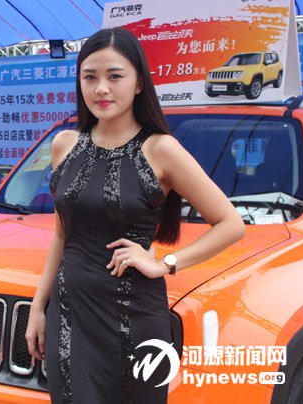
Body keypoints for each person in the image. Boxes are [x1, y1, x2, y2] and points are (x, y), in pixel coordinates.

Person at [25, 28, 245, 404]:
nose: (101, 89)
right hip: (70, 318)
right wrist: (37, 307)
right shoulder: (64, 145)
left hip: (134, 321)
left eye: (115, 76)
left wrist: (165, 263)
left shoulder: (161, 150)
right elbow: (62, 236)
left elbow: (231, 224)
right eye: (90, 77)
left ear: (140, 83)